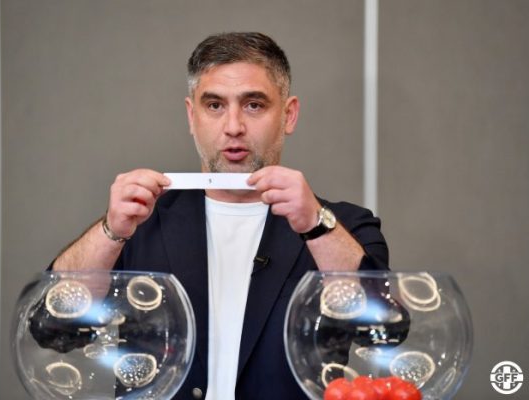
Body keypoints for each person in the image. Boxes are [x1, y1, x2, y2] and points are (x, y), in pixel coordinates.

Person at [51, 32, 388, 400]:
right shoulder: (141, 225)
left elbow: (381, 330)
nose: (233, 126)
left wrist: (315, 225)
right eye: (214, 105)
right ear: (191, 116)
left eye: (254, 105)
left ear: (288, 115)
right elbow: (54, 328)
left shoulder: (344, 226)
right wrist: (111, 231)